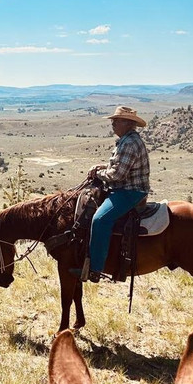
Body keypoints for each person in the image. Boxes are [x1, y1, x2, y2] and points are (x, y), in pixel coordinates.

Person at [79, 105, 151, 283]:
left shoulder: (129, 143)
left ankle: (95, 268)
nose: (113, 124)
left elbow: (117, 175)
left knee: (100, 220)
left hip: (130, 192)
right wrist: (102, 166)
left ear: (127, 123)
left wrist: (98, 174)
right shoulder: (127, 140)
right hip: (126, 188)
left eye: (116, 121)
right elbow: (118, 166)